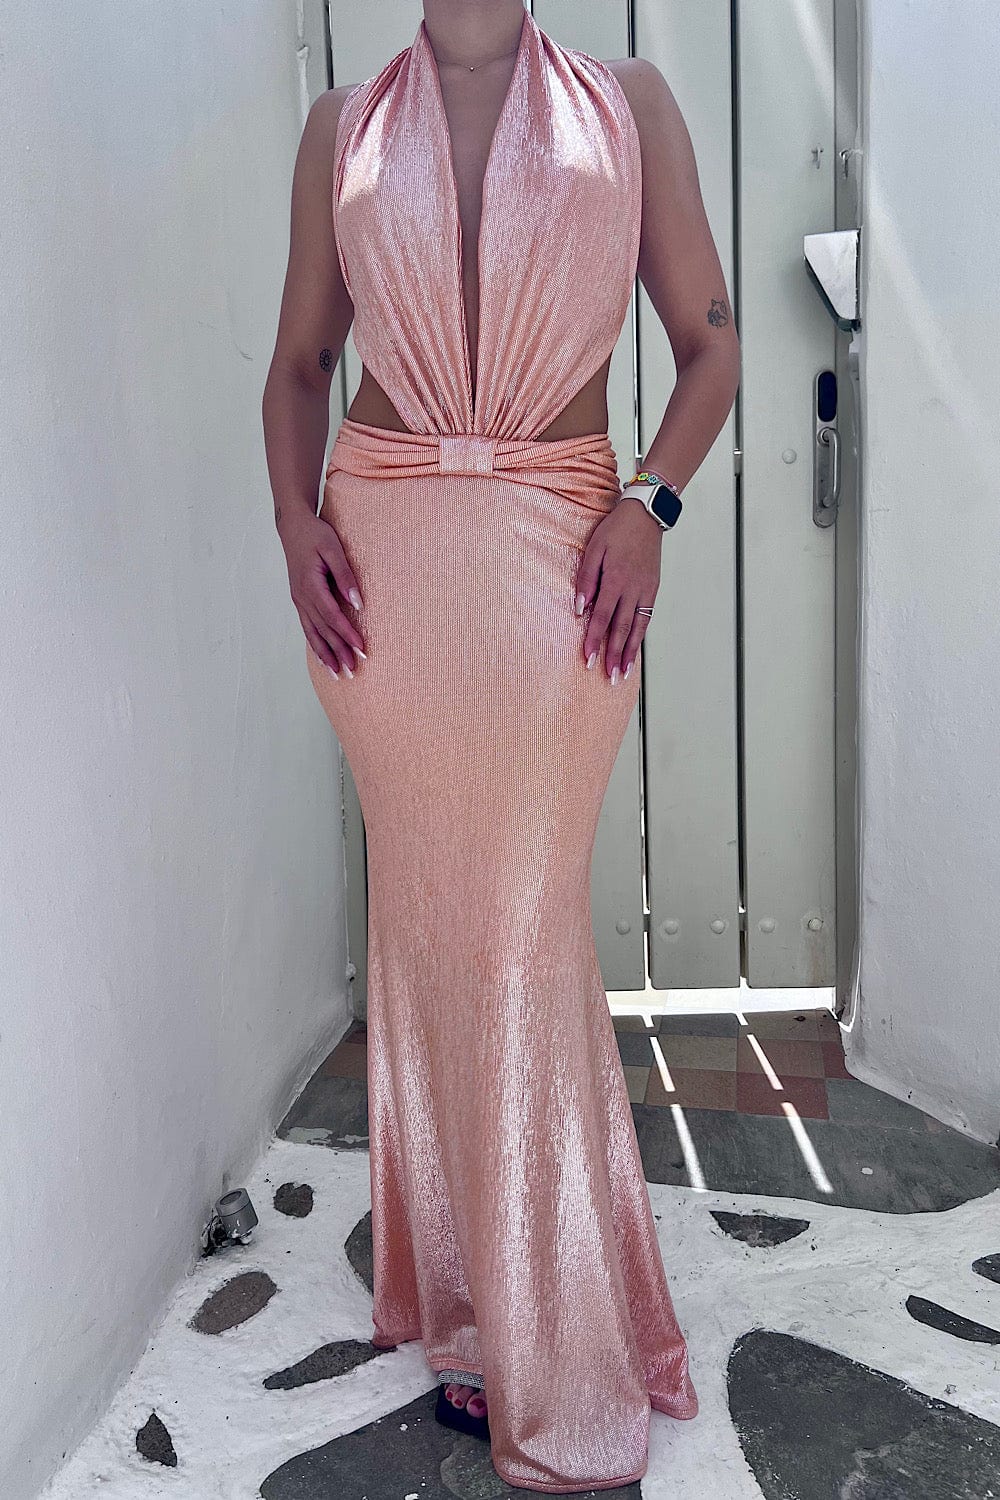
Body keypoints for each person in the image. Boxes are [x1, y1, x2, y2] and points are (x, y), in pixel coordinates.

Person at [262, 1, 740, 1489]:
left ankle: (555, 1343)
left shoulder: (628, 102)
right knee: (432, 926)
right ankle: (470, 1302)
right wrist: (291, 527)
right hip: (383, 573)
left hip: (561, 560)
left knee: (521, 932)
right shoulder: (340, 126)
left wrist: (650, 505)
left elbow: (712, 347)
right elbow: (300, 365)